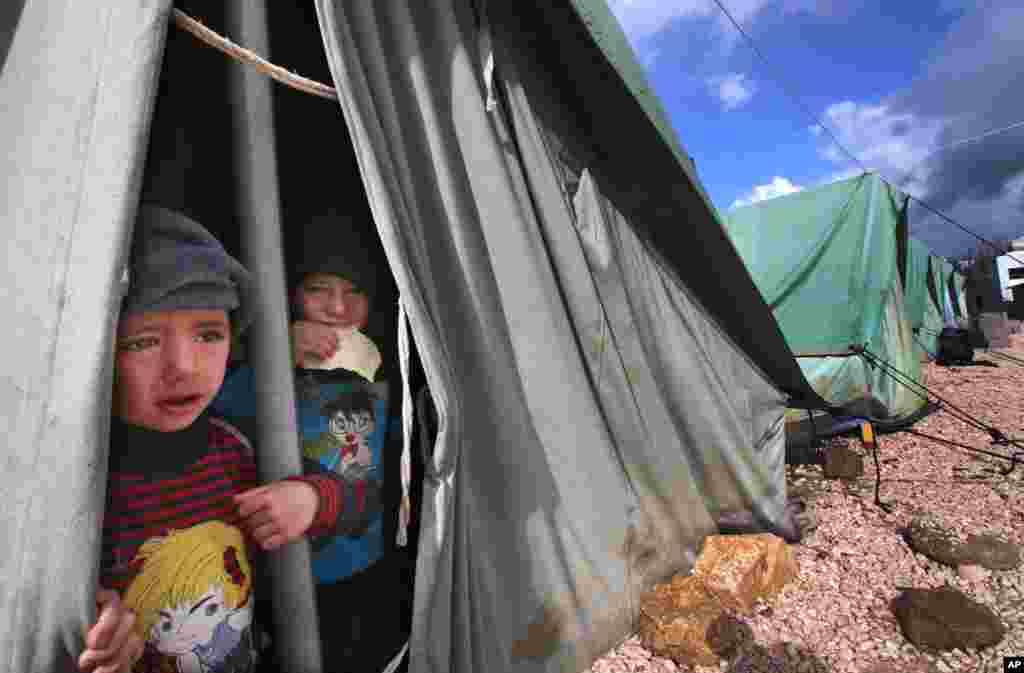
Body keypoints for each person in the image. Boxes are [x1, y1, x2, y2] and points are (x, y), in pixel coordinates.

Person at [79, 205, 364, 673]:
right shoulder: (79, 490)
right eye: (143, 342)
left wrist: (309, 499)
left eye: (209, 334)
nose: (183, 368)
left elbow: (356, 498)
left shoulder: (237, 449)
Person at [211, 212, 412, 673]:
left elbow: (395, 469)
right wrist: (272, 351)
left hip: (368, 563)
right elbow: (209, 406)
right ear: (292, 296)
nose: (337, 308)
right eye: (319, 289)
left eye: (353, 292)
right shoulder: (270, 362)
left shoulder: (383, 372)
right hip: (281, 573)